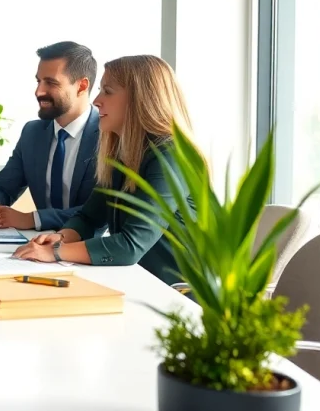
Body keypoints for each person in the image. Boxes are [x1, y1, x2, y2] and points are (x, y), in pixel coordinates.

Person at [12, 54, 196, 285]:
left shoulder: (171, 156)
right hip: (140, 281)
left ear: (141, 98)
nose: (97, 100)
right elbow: (90, 218)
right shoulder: (122, 154)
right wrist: (60, 238)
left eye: (107, 91)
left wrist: (55, 253)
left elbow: (131, 245)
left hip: (180, 294)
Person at [0, 41, 102, 233]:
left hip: (90, 250)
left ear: (82, 86)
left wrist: (32, 219)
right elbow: (3, 187)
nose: (39, 92)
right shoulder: (32, 133)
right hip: (36, 248)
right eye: (39, 81)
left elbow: (101, 213)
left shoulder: (110, 136)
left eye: (51, 83)